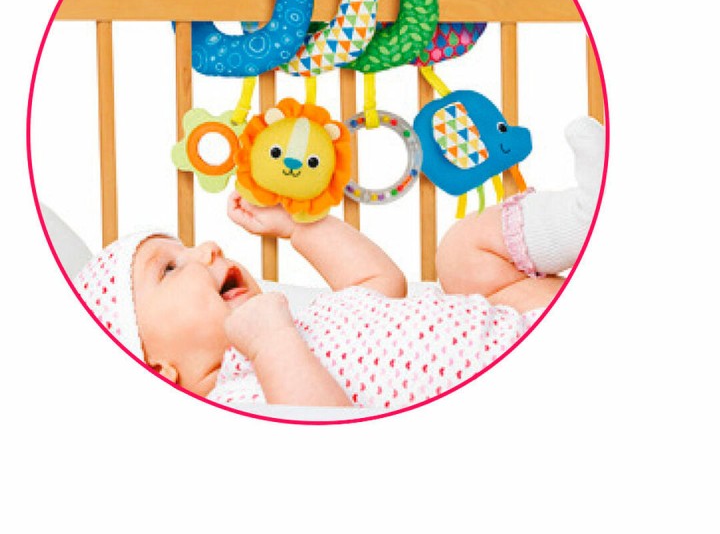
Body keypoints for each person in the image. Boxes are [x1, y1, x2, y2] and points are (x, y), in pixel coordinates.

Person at [75, 116, 604, 409]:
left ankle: (586, 214)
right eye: (168, 269)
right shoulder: (243, 402)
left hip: (518, 323)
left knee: (460, 254)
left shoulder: (298, 319)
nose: (208, 248)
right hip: (525, 389)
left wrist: (297, 226)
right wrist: (271, 342)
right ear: (159, 372)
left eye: (185, 247)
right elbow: (328, 430)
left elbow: (382, 283)